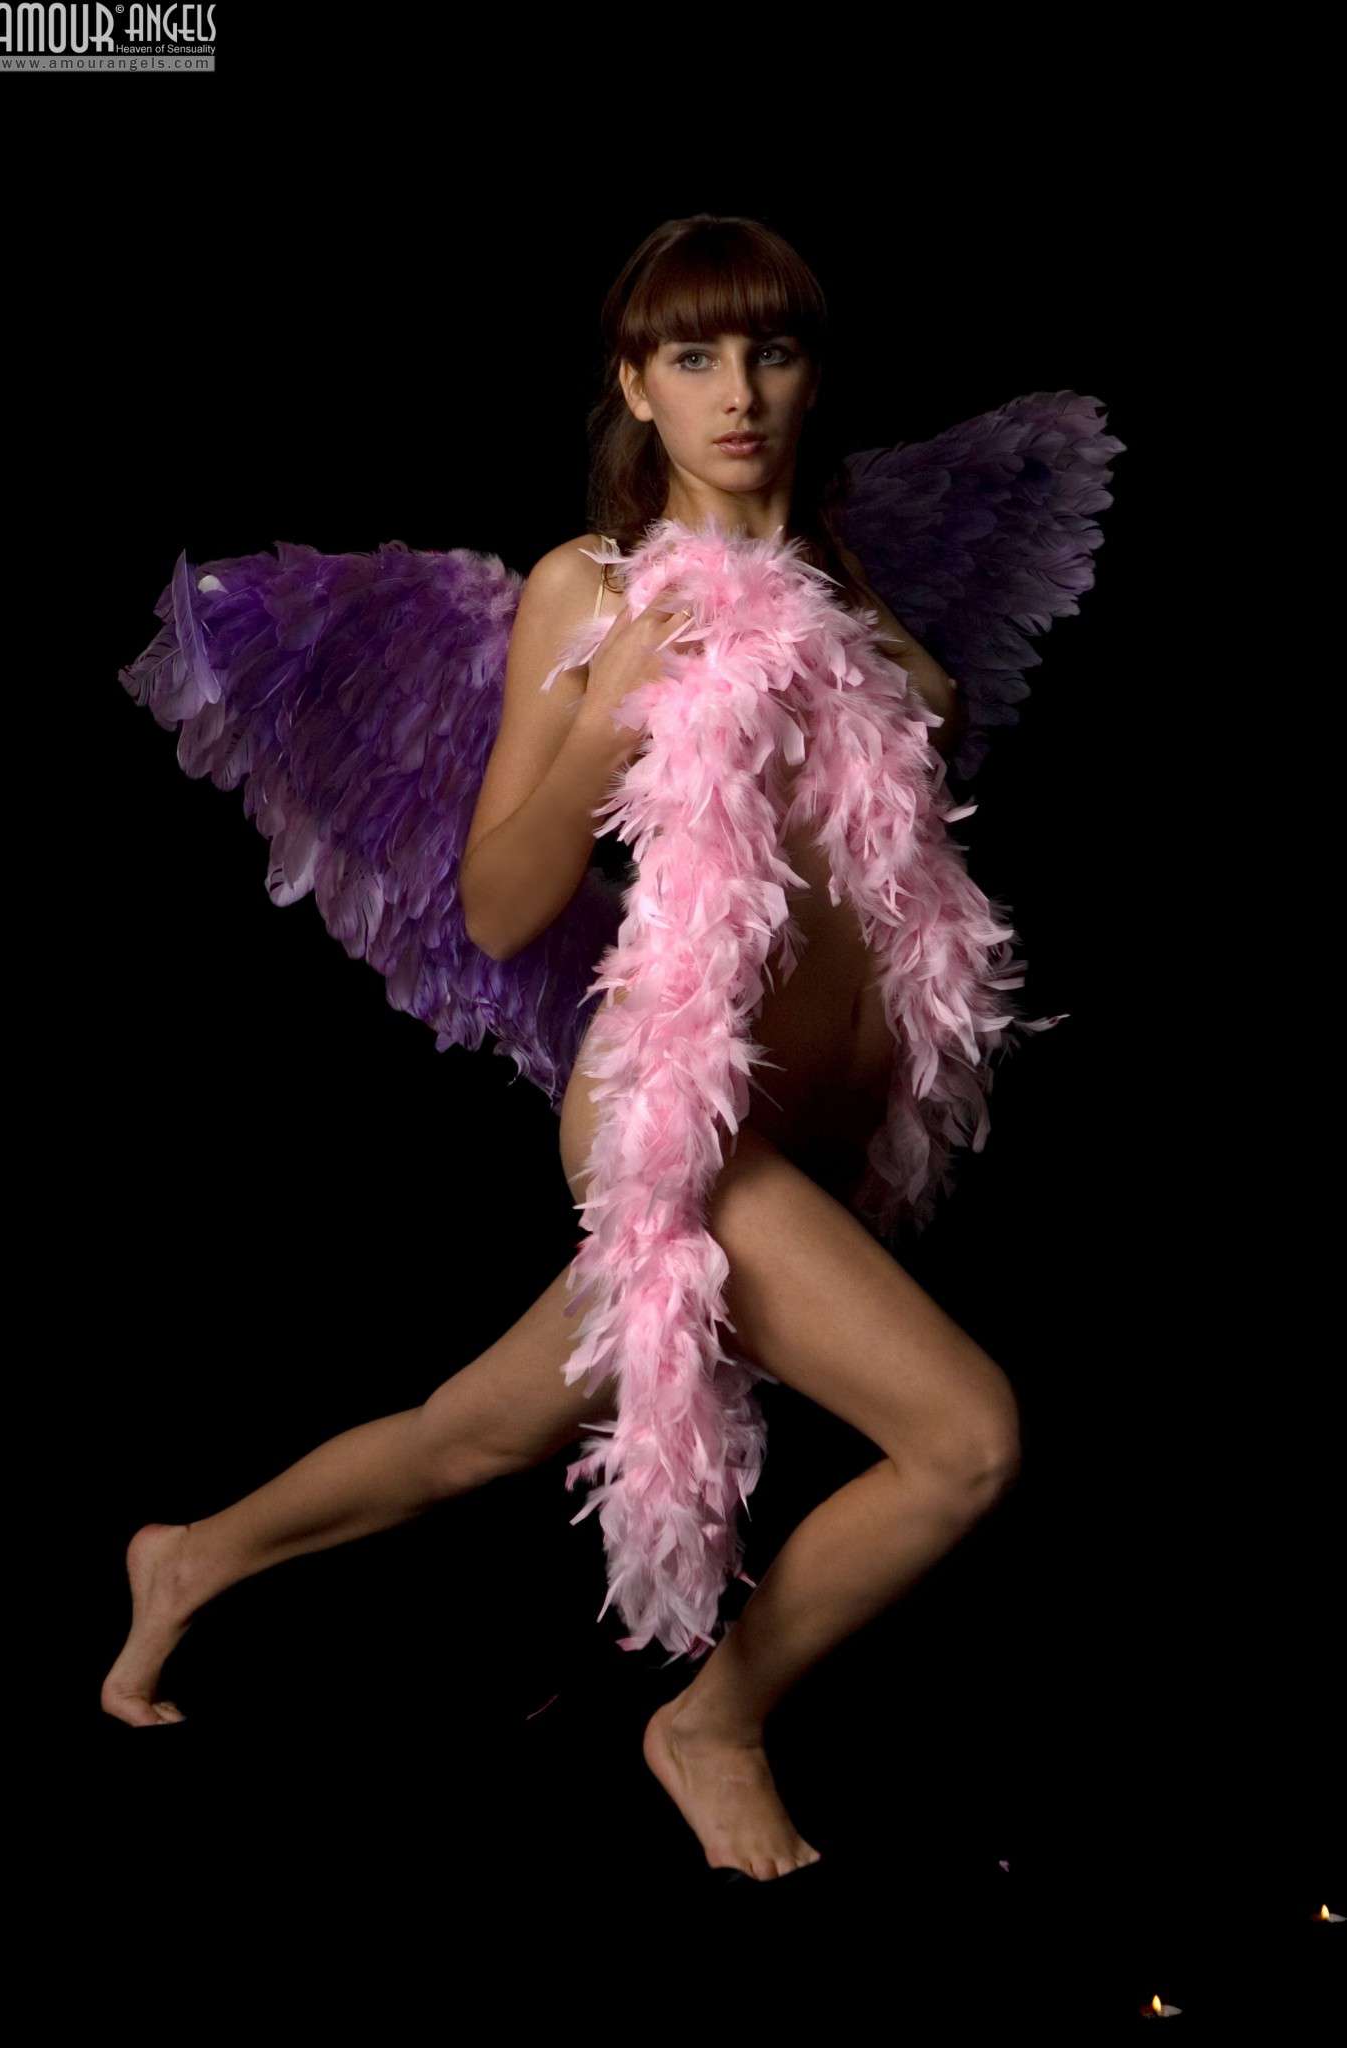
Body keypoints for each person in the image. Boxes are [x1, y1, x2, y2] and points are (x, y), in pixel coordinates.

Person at [103, 215, 1048, 1884]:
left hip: (820, 1128)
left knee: (475, 1431)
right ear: (635, 383)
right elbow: (496, 905)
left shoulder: (850, 598)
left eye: (768, 352)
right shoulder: (588, 592)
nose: (736, 393)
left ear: (809, 376)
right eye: (693, 356)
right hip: (677, 1116)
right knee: (964, 1440)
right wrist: (609, 705)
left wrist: (909, 680)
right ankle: (712, 1724)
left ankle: (190, 1557)